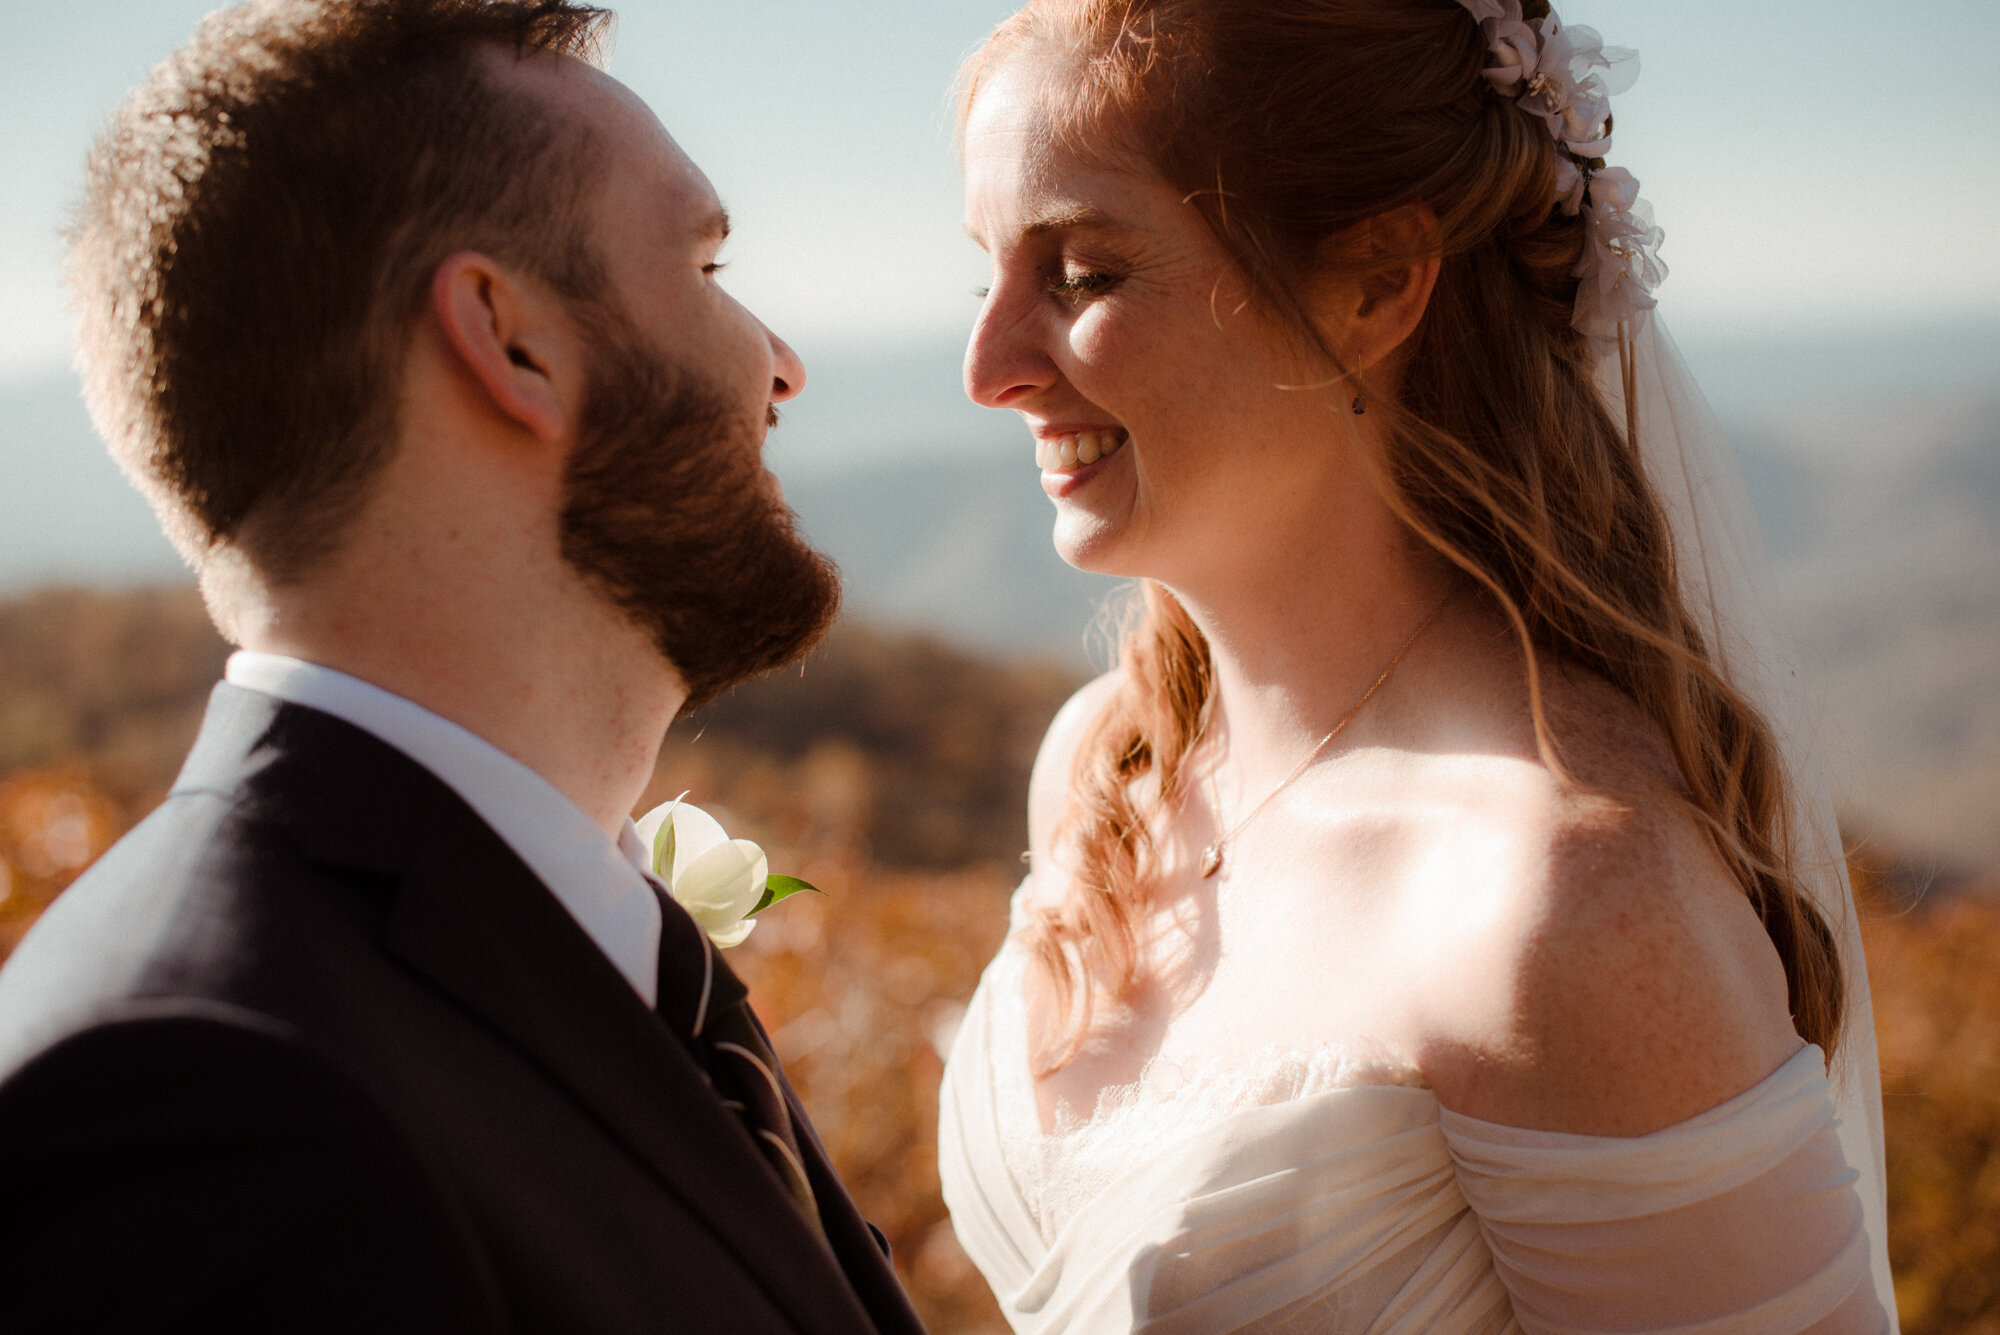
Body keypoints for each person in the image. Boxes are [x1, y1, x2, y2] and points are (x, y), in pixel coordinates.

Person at [937, 0, 1897, 1329]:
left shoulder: (1565, 904)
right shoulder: (1108, 765)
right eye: (980, 271)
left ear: (1381, 281)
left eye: (1086, 273)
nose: (987, 366)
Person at [0, 3, 925, 1332]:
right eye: (709, 270)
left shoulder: (577, 936)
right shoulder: (202, 1106)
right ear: (510, 340)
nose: (778, 365)